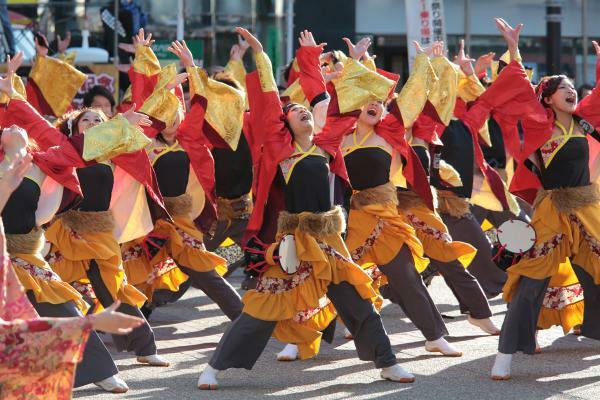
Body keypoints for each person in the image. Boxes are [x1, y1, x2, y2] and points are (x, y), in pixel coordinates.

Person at [197, 27, 416, 390]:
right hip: (293, 240)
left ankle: (388, 362)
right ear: (285, 124)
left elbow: (329, 97)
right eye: (295, 111)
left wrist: (322, 59)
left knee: (358, 301)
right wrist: (259, 54)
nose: (303, 112)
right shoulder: (280, 151)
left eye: (306, 110)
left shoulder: (328, 143)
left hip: (330, 239)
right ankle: (215, 367)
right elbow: (268, 98)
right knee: (262, 308)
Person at [491, 19, 600, 380]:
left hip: (588, 209)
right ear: (548, 98)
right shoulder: (540, 123)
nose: (571, 90)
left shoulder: (583, 122)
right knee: (533, 280)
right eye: (563, 88)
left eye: (572, 87)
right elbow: (519, 89)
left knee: (596, 270)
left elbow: (598, 95)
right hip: (552, 211)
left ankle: (594, 328)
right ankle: (505, 354)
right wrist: (513, 48)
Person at [0, 150, 144, 400]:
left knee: (62, 306)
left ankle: (101, 371)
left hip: (25, 251)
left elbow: (71, 150)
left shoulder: (37, 162)